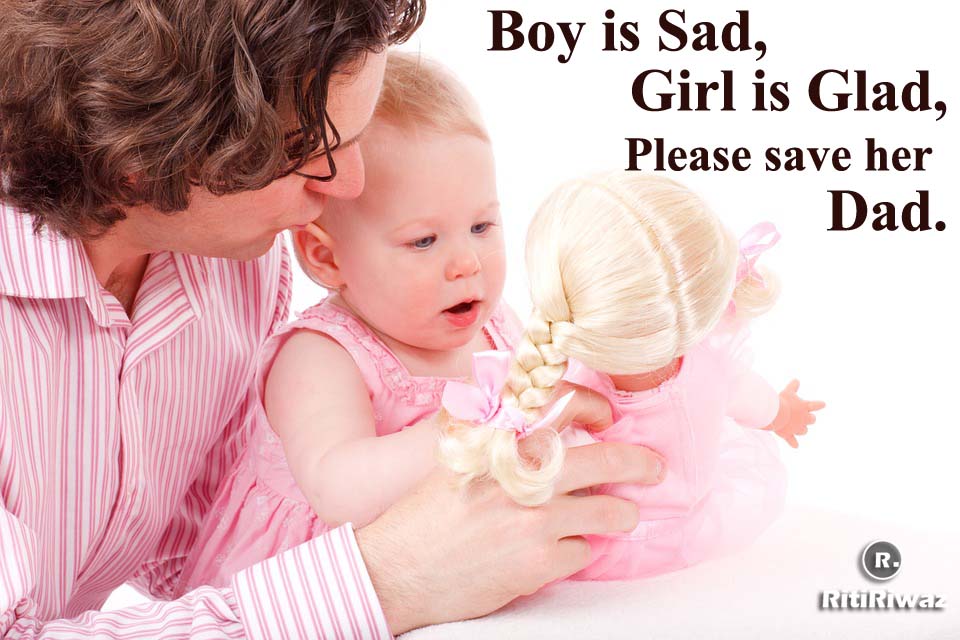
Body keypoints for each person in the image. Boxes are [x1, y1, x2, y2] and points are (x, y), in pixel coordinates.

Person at [0, 3, 665, 637]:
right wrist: (389, 577)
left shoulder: (230, 258)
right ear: (140, 159)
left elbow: (190, 546)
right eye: (306, 149)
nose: (348, 186)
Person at [440, 173, 824, 579]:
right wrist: (785, 413)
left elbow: (542, 452)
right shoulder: (713, 369)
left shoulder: (572, 382)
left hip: (600, 541)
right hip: (685, 528)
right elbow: (757, 401)